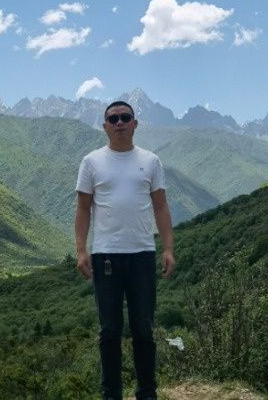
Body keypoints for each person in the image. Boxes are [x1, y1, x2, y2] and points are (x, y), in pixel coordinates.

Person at [75, 99, 176, 400]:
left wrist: (168, 248)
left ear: (135, 123)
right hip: (105, 255)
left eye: (125, 117)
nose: (119, 123)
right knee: (109, 331)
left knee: (143, 328)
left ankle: (147, 393)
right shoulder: (91, 162)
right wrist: (81, 250)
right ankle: (112, 395)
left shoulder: (151, 161)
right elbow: (83, 208)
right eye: (113, 119)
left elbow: (161, 206)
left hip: (142, 254)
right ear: (105, 126)